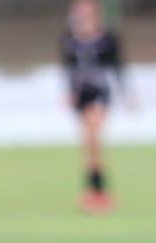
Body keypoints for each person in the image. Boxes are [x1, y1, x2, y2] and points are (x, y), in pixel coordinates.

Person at [61, 0, 129, 214]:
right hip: (81, 94)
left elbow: (117, 66)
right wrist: (69, 92)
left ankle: (97, 191)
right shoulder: (70, 40)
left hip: (100, 92)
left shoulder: (107, 38)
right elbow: (68, 68)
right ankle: (95, 191)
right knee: (89, 144)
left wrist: (126, 92)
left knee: (93, 138)